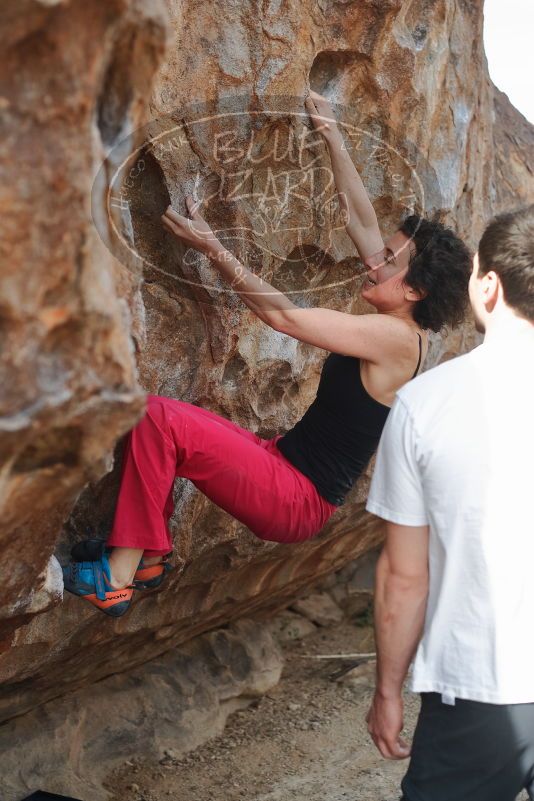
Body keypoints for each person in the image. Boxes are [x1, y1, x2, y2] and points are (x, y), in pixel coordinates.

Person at [62, 92, 471, 617]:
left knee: (158, 419)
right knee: (167, 430)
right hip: (282, 462)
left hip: (296, 498)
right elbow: (363, 222)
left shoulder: (395, 338)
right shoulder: (403, 319)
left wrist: (214, 249)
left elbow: (285, 319)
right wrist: (332, 135)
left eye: (389, 261)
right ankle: (146, 559)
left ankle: (114, 580)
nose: (373, 260)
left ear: (414, 291)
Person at [365, 204, 534, 801]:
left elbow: (406, 578)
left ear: (487, 286)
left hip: (483, 683)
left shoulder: (425, 404)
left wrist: (388, 691)